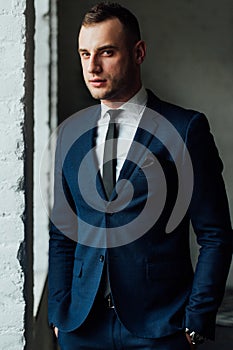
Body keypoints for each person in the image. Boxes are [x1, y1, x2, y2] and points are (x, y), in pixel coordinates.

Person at [48, 2, 233, 349]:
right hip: (82, 329)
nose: (93, 67)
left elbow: (215, 234)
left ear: (138, 52)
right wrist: (59, 314)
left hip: (159, 328)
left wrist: (196, 320)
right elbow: (62, 234)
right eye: (85, 54)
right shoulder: (70, 136)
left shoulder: (185, 129)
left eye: (106, 52)